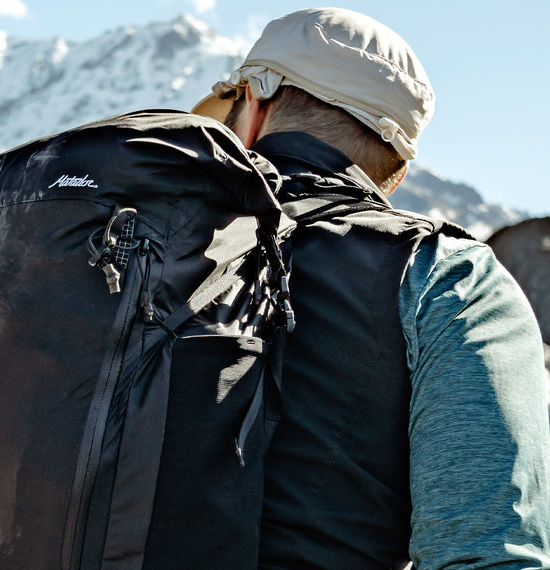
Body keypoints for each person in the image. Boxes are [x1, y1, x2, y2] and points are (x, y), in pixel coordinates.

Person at [189, 8, 550, 568]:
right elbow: (486, 552)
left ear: (254, 111)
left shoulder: (107, 243)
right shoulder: (447, 277)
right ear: (397, 172)